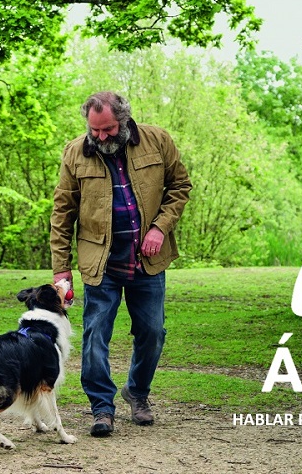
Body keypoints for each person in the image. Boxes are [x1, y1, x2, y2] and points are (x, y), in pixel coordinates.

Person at [50, 91, 192, 436]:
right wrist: (61, 268)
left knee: (152, 333)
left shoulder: (157, 140)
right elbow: (62, 211)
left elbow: (180, 186)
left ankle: (137, 393)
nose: (101, 137)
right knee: (96, 334)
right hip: (100, 262)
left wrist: (160, 228)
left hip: (147, 261)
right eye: (95, 130)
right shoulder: (74, 153)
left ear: (124, 120)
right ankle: (102, 407)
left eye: (108, 129)